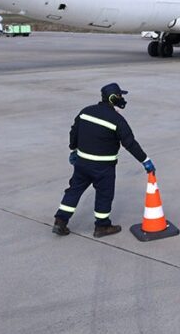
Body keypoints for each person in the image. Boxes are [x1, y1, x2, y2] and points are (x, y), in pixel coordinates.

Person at [53, 83, 155, 237]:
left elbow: (74, 131)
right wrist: (145, 160)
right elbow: (130, 144)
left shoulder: (85, 111)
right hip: (103, 167)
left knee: (74, 190)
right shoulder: (117, 120)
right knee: (104, 195)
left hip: (82, 163)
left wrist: (73, 148)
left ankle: (60, 221)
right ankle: (102, 226)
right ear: (113, 98)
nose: (122, 99)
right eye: (120, 96)